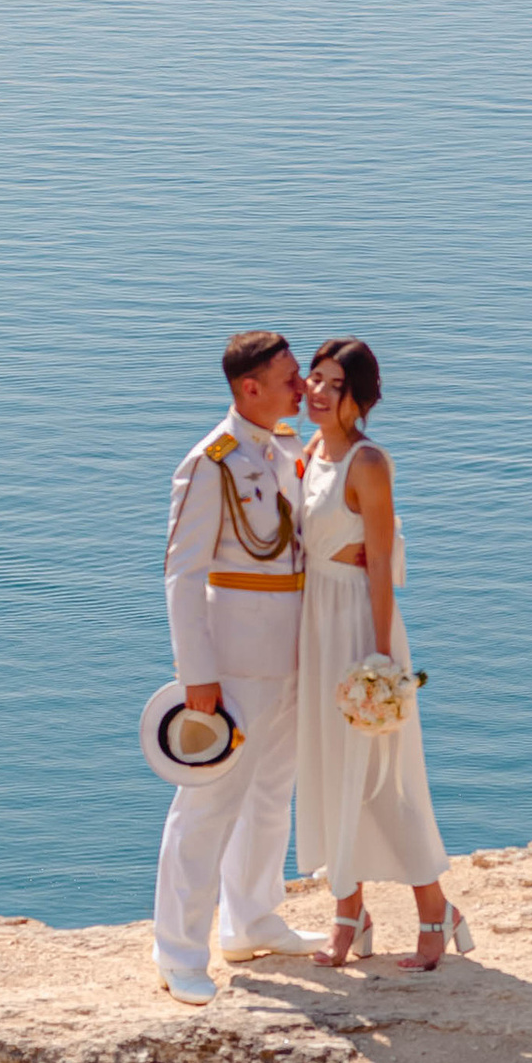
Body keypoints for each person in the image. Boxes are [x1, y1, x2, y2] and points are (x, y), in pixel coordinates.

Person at [152, 330, 321, 1003]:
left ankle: (250, 920)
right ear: (249, 389)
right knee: (207, 805)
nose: (302, 387)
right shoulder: (210, 462)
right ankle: (179, 950)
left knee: (272, 796)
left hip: (292, 655)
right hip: (234, 658)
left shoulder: (288, 449)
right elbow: (182, 576)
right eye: (288, 378)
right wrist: (198, 677)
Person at [293, 336, 469, 970]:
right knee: (325, 767)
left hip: (360, 630)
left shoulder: (368, 463)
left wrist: (378, 662)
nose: (315, 391)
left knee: (381, 776)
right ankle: (348, 912)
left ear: (359, 396)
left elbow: (379, 569)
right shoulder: (308, 452)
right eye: (313, 378)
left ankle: (434, 910)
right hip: (315, 624)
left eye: (332, 384)